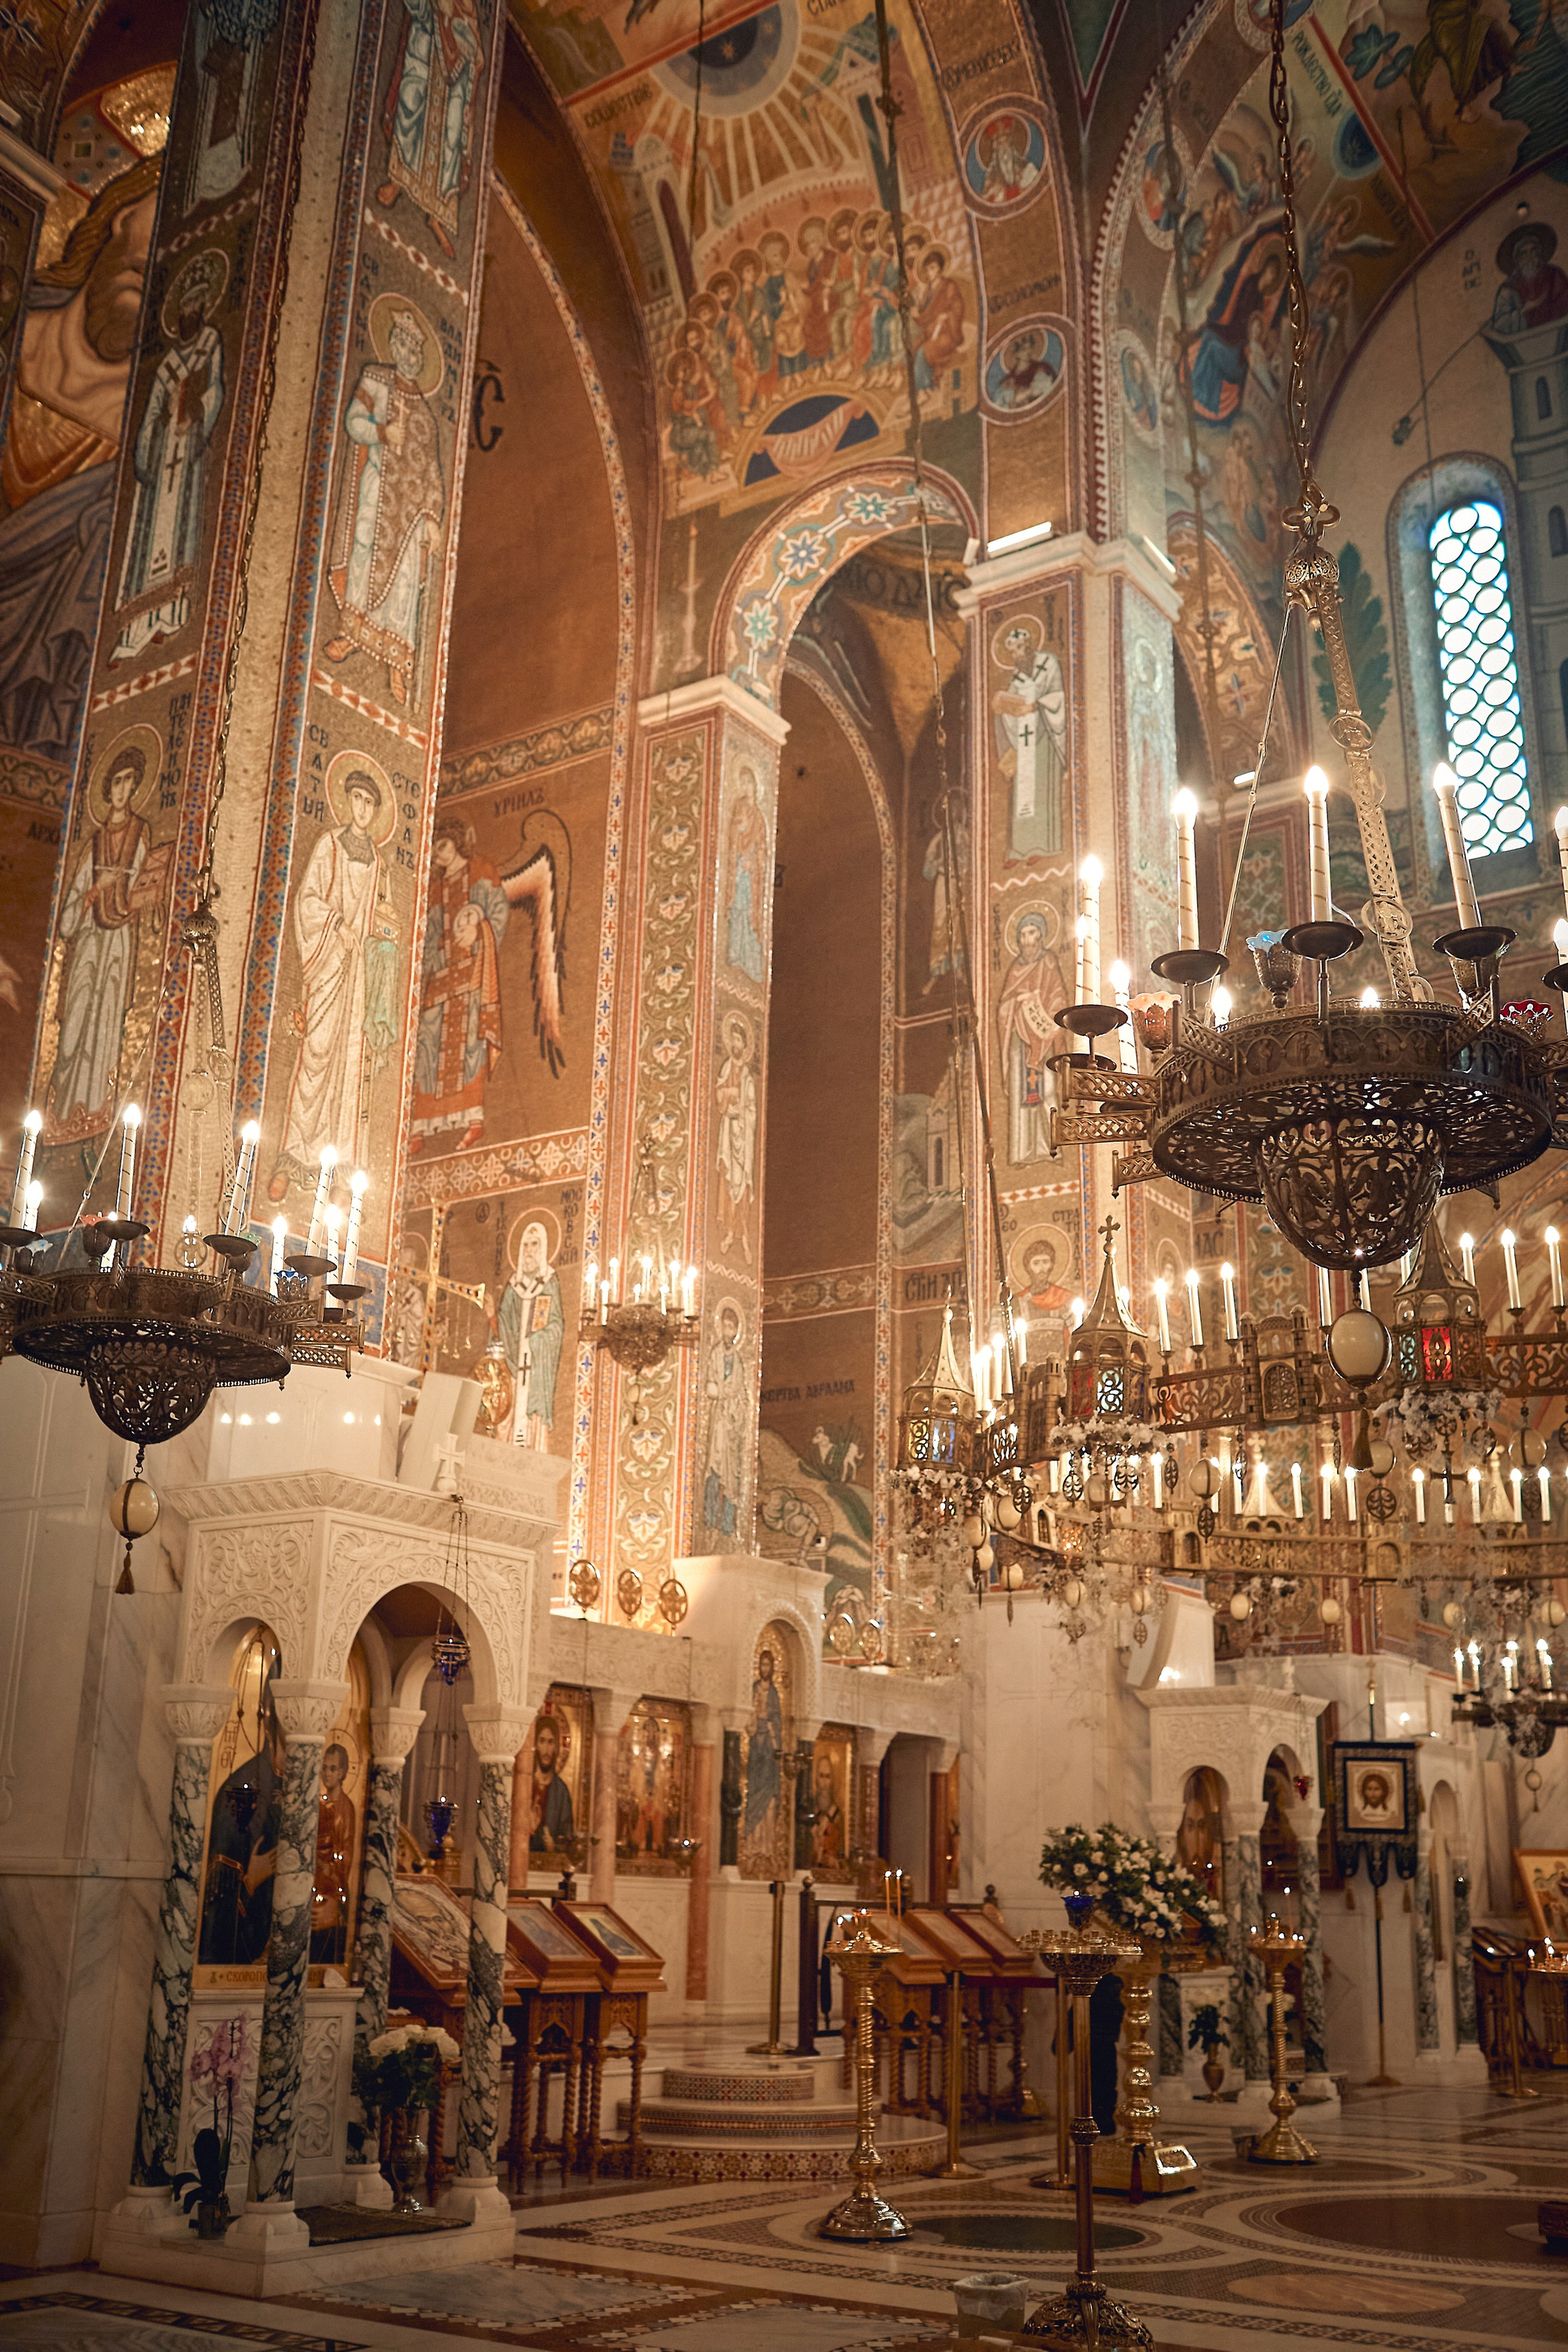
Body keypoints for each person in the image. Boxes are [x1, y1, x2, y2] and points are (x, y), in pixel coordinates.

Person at [0, 151, 160, 763]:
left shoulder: (168, 431)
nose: (167, 258)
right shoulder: (11, 324)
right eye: (162, 218)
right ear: (115, 215)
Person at [271, 768, 394, 1199]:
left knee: (350, 1065)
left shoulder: (378, 861)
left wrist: (381, 943)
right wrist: (338, 925)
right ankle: (292, 1154)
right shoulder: (329, 845)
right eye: (356, 799)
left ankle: (340, 1166)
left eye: (369, 803)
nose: (362, 808)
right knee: (317, 1054)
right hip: (327, 965)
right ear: (347, 803)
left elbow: (383, 917)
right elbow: (307, 900)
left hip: (358, 975)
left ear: (376, 811)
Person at [110, 254, 226, 665]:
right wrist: (146, 452)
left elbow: (215, 393)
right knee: (151, 543)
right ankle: (140, 627)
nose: (188, 316)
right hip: (164, 462)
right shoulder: (165, 366)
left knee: (181, 540)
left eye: (195, 309)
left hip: (189, 455)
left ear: (203, 311)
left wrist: (199, 415)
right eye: (183, 311)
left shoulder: (210, 347)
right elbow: (148, 418)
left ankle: (174, 618)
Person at [324, 308, 445, 706]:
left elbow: (432, 471)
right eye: (405, 343)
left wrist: (432, 518)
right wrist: (381, 431)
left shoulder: (426, 415)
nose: (410, 352)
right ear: (393, 344)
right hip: (376, 495)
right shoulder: (375, 381)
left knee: (405, 586)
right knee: (364, 557)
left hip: (409, 518)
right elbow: (354, 421)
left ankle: (398, 662)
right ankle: (351, 633)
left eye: (416, 347)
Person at [50, 741, 152, 1126]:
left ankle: (97, 1114)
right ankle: (62, 1117)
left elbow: (145, 889)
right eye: (118, 782)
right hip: (90, 944)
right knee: (77, 1019)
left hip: (118, 948)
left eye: (130, 782)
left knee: (107, 1019)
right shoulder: (93, 845)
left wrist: (136, 892)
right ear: (108, 789)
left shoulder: (140, 836)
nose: (123, 789)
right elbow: (65, 923)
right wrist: (96, 891)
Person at [411, 814, 508, 1150]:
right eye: (434, 850)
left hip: (472, 973)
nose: (438, 855)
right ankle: (421, 1126)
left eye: (443, 846)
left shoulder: (481, 871)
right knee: (428, 1047)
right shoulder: (435, 888)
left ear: (457, 842)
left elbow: (497, 913)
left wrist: (480, 925)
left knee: (470, 1045)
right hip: (440, 978)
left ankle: (474, 1121)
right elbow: (429, 933)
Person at [376, 0, 484, 258]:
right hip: (425, 54)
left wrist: (461, 41)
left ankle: (438, 214)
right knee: (411, 107)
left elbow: (475, 49)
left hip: (452, 83)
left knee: (450, 140)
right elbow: (419, 9)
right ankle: (399, 180)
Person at [198, 1705, 284, 1968]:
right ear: (272, 1733)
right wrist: (249, 1881)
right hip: (239, 1955)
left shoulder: (299, 1790)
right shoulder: (240, 1792)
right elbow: (214, 1904)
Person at [992, 619, 1066, 858]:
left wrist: (1035, 706)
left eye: (1019, 649)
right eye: (1013, 653)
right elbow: (1012, 704)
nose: (1017, 656)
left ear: (1029, 645)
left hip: (1046, 736)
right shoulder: (1018, 676)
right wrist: (1005, 708)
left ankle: (1044, 846)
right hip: (1025, 742)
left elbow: (1057, 698)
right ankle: (1021, 850)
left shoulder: (1049, 663)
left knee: (1043, 790)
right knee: (1023, 794)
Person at [997, 913, 1065, 1165]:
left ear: (1042, 936)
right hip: (1019, 1044)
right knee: (1021, 1097)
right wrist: (1017, 1002)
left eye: (1033, 933)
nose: (1028, 940)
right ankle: (1022, 1152)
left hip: (1044, 1039)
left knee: (1047, 1092)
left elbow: (1059, 997)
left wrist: (1047, 1010)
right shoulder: (1015, 970)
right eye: (1024, 935)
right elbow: (1003, 1007)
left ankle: (1051, 1148)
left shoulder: (1049, 963)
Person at [496, 1219, 563, 1450]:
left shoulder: (549, 1283)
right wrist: (512, 1346)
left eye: (535, 1244)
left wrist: (537, 1341)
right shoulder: (513, 1287)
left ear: (543, 1248)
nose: (529, 1250)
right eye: (525, 1245)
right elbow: (502, 1322)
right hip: (514, 1366)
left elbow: (556, 1325)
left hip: (536, 1368)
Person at [310, 1743, 357, 1967]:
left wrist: (329, 1865)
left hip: (333, 1888)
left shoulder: (345, 1808)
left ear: (342, 1772)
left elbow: (344, 1855)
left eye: (332, 1769)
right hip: (316, 1883)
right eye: (324, 1768)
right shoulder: (321, 1804)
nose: (327, 1773)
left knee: (326, 1950)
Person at [715, 1015, 758, 1259]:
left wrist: (742, 1113)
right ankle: (729, 1232)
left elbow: (751, 1108)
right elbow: (720, 1095)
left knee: (743, 1184)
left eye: (738, 1041)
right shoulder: (726, 1069)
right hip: (728, 1134)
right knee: (728, 1181)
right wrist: (728, 1098)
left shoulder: (748, 1078)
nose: (735, 1045)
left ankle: (743, 1235)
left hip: (744, 1136)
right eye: (732, 1040)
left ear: (745, 1045)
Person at [702, 1303, 747, 1536]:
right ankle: (710, 1518)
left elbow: (738, 1387)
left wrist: (732, 1404)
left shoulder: (737, 1359)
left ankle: (728, 1524)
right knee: (714, 1467)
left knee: (732, 1474)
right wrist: (718, 1392)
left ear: (737, 1332)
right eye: (725, 1326)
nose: (728, 1331)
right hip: (718, 1419)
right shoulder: (715, 1354)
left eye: (732, 1328)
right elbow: (711, 1380)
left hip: (732, 1421)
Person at [725, 768, 767, 982]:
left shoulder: (759, 817)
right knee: (738, 908)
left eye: (747, 783)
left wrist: (756, 862)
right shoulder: (739, 807)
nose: (744, 787)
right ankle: (735, 953)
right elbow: (733, 831)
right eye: (741, 783)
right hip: (740, 866)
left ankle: (749, 960)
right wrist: (738, 831)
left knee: (749, 913)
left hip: (751, 872)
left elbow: (762, 846)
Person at [742, 1649, 784, 1863]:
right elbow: (748, 1716)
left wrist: (770, 1727)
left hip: (769, 1747)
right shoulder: (754, 1689)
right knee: (754, 1793)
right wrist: (755, 1723)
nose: (765, 1669)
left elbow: (777, 1721)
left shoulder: (775, 1693)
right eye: (763, 1665)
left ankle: (767, 1846)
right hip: (756, 1748)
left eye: (769, 1665)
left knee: (769, 1796)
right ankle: (752, 1843)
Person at [529, 1714, 575, 1852]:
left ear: (556, 1747)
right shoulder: (524, 1784)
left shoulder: (561, 1792)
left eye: (551, 1742)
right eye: (542, 1741)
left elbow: (568, 1838)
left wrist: (554, 1846)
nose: (546, 1750)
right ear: (536, 1744)